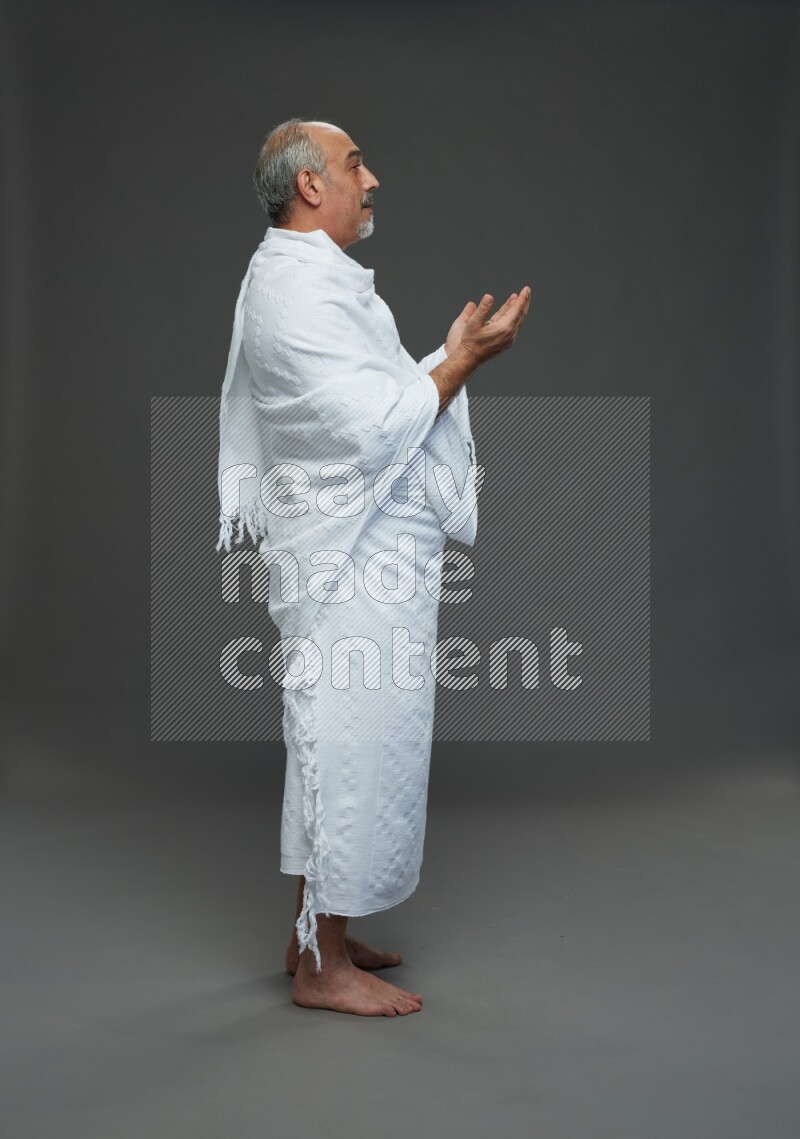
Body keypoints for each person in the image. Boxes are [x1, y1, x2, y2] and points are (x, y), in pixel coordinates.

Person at [216, 118, 530, 1016]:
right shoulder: (295, 292)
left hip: (368, 554)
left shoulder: (308, 278)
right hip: (347, 563)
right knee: (350, 744)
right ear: (312, 185)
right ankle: (322, 972)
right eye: (356, 164)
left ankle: (319, 932)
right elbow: (363, 431)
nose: (373, 179)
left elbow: (381, 403)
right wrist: (461, 360)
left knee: (355, 740)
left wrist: (447, 357)